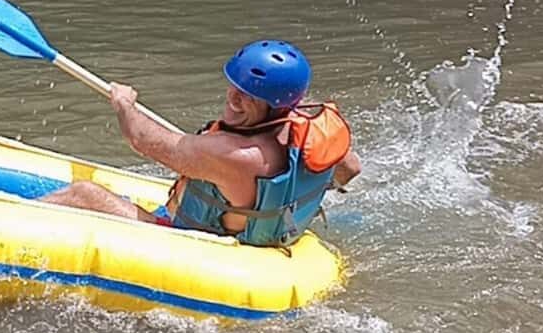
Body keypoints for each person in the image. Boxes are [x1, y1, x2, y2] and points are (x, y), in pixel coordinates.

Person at [40, 39, 361, 247]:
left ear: (274, 106)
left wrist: (124, 104)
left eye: (249, 95)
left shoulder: (235, 155)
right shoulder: (305, 132)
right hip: (261, 232)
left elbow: (141, 139)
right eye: (235, 86)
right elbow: (350, 167)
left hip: (192, 239)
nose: (234, 99)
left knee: (84, 193)